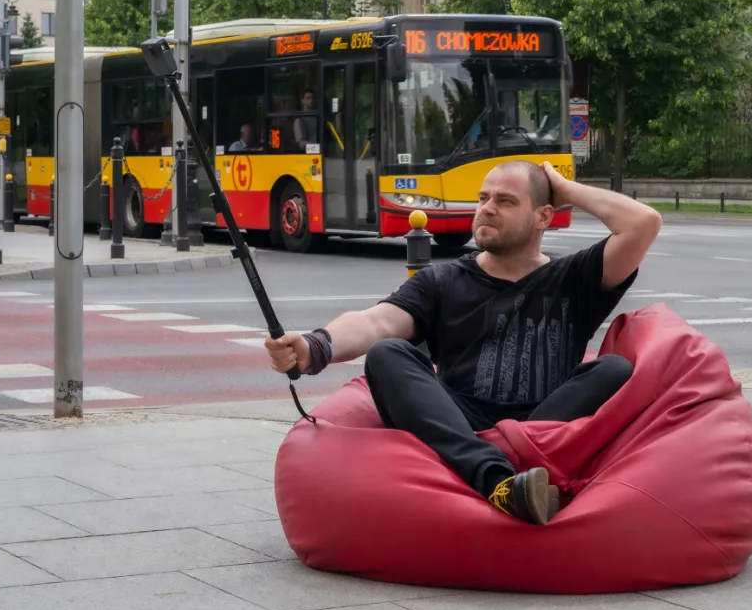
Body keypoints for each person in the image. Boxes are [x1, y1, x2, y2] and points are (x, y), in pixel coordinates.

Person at [266, 160, 662, 525]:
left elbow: (643, 223)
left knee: (615, 369)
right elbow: (378, 322)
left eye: (506, 201)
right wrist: (317, 346)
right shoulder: (442, 280)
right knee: (388, 355)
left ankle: (501, 472)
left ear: (544, 216)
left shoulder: (575, 277)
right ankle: (497, 480)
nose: (487, 208)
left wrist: (564, 188)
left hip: (544, 424)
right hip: (464, 421)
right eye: (483, 198)